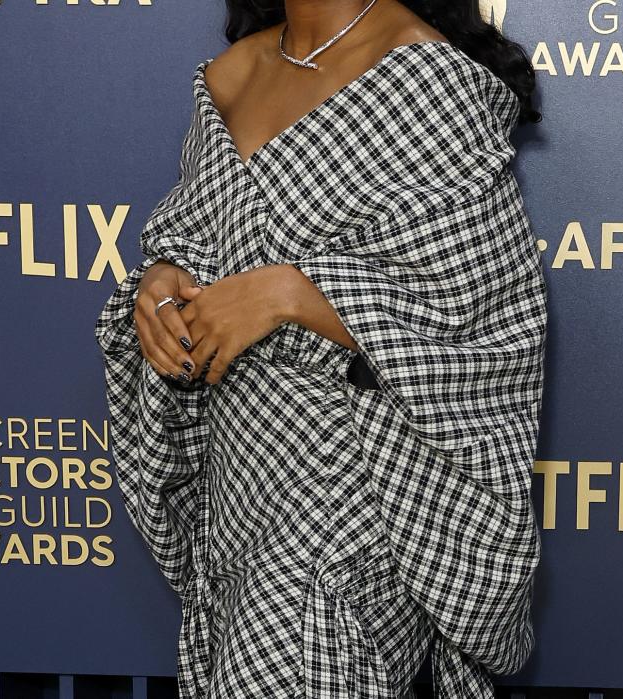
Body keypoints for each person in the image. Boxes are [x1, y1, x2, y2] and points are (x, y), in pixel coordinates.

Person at [94, 0, 547, 696]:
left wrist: (290, 294)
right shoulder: (227, 78)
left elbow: (477, 317)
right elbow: (184, 244)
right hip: (240, 483)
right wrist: (157, 288)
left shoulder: (424, 74)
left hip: (348, 491)